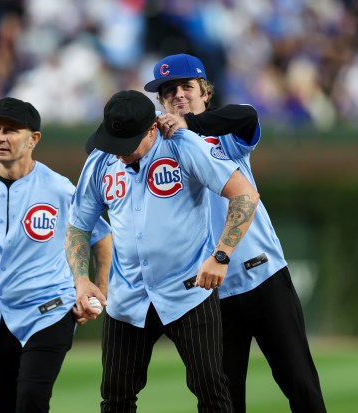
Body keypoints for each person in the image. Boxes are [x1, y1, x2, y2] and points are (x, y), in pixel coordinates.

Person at [144, 54, 327, 413]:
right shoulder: (157, 151)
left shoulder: (221, 137)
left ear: (205, 92)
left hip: (263, 276)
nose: (178, 95)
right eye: (169, 91)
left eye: (186, 87)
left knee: (300, 384)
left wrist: (190, 124)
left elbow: (248, 115)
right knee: (223, 401)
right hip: (213, 294)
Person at [65, 89, 261, 413]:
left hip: (188, 291)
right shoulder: (101, 160)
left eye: (128, 143)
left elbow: (245, 195)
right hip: (128, 297)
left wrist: (221, 255)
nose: (120, 153)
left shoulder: (184, 147)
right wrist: (81, 280)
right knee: (115, 397)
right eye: (115, 142)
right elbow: (77, 226)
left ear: (152, 128)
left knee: (212, 392)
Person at [0, 97, 112, 413]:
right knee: (5, 406)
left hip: (49, 311)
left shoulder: (59, 188)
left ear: (34, 139)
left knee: (31, 400)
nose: (0, 137)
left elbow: (101, 237)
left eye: (11, 130)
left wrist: (97, 288)